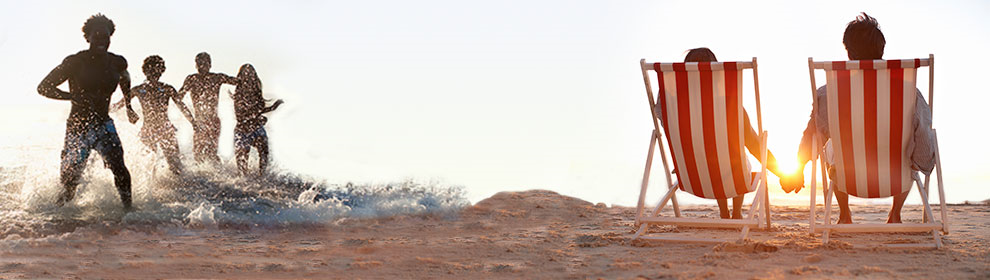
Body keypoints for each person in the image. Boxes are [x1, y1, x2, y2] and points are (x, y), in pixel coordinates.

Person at [783, 13, 935, 224]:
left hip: (849, 179)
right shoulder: (908, 92)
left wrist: (798, 168)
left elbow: (812, 133)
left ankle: (845, 214)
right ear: (881, 50)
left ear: (849, 52)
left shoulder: (829, 94)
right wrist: (923, 163)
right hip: (895, 179)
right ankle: (895, 214)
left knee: (832, 147)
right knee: (909, 145)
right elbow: (925, 143)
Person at [670, 48, 790, 219]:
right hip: (731, 173)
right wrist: (783, 174)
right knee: (732, 158)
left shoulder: (673, 105)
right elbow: (754, 145)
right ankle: (736, 212)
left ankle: (724, 212)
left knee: (714, 157)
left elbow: (674, 134)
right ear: (716, 73)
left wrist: (684, 160)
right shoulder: (729, 104)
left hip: (693, 174)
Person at [37, 14, 138, 210]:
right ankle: (58, 217)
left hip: (104, 124)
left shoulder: (117, 62)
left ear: (111, 37)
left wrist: (128, 105)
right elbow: (43, 87)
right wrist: (72, 97)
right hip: (78, 127)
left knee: (120, 169)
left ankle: (129, 213)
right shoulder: (75, 62)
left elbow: (125, 79)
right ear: (88, 37)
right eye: (97, 36)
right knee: (70, 182)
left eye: (106, 36)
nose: (102, 40)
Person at [127, 55, 196, 174]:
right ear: (145, 71)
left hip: (165, 129)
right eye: (151, 70)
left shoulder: (167, 88)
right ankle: (151, 190)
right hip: (150, 129)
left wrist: (193, 123)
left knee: (175, 165)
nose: (154, 73)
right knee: (149, 165)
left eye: (157, 70)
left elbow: (182, 106)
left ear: (161, 71)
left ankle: (179, 190)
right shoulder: (138, 89)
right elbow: (120, 104)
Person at [177, 52, 238, 164]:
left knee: (211, 153)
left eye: (205, 64)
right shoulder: (192, 79)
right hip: (199, 122)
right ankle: (204, 179)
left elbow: (238, 82)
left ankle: (216, 178)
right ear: (195, 65)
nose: (202, 66)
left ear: (210, 65)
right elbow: (177, 99)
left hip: (213, 121)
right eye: (199, 64)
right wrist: (191, 120)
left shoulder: (217, 78)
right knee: (198, 154)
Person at [231, 64, 283, 176]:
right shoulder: (239, 94)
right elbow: (241, 116)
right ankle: (241, 183)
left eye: (251, 74)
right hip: (242, 131)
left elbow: (258, 110)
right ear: (241, 78)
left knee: (264, 151)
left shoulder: (256, 92)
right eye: (246, 75)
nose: (249, 77)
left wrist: (273, 107)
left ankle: (262, 177)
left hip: (256, 128)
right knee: (242, 165)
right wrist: (258, 118)